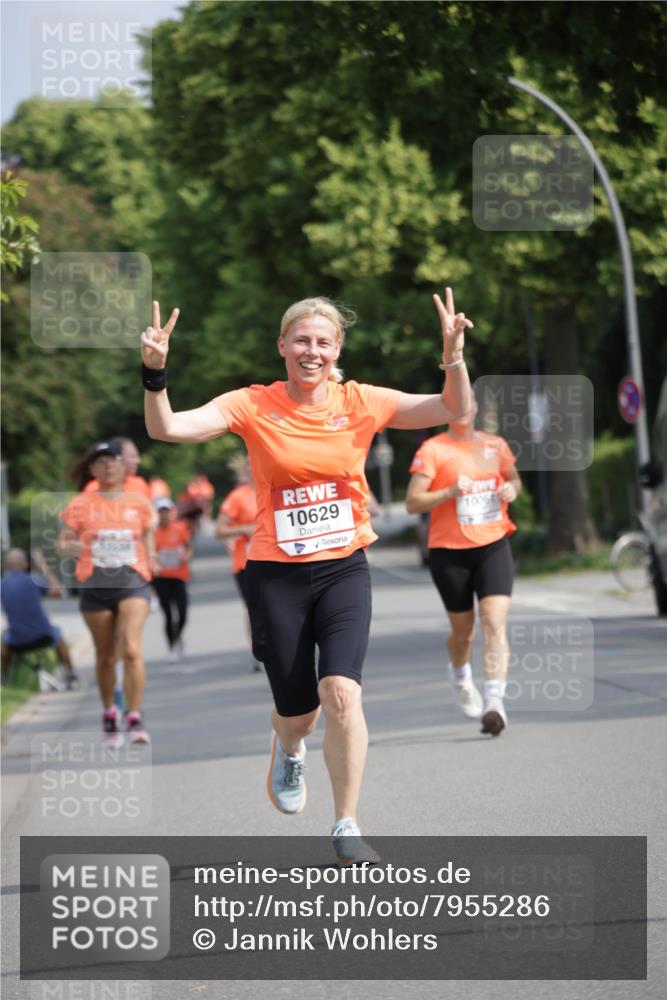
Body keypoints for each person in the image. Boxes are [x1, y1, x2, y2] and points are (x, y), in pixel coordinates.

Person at [141, 290, 471, 862]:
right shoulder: (253, 404)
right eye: (301, 341)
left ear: (337, 347)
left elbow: (450, 408)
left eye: (322, 341)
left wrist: (453, 356)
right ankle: (289, 746)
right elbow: (167, 427)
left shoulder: (360, 400)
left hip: (344, 566)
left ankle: (346, 823)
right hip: (277, 574)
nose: (311, 351)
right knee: (300, 710)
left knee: (342, 693)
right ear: (282, 347)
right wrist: (154, 372)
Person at [406, 396, 522, 736]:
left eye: (467, 405)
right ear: (446, 411)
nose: (462, 411)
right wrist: (449, 492)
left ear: (475, 410)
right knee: (464, 634)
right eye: (455, 405)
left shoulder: (494, 445)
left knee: (494, 622)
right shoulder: (433, 450)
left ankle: (494, 703)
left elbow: (513, 479)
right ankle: (460, 674)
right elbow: (413, 502)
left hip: (492, 543)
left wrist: (511, 490)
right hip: (449, 551)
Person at [57, 441, 157, 747]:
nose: (108, 466)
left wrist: (151, 556)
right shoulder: (80, 504)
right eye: (100, 462)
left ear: (121, 465)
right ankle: (109, 713)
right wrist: (68, 547)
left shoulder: (139, 501)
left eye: (113, 460)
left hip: (132, 581)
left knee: (131, 649)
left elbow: (149, 531)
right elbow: (62, 543)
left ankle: (135, 716)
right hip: (95, 584)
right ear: (92, 470)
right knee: (105, 657)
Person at [1, 548, 77, 688]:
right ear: (25, 564)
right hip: (43, 636)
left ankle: (4, 679)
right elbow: (60, 592)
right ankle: (70, 674)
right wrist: (43, 566)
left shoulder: (2, 585)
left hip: (16, 641)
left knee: (4, 638)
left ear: (5, 566)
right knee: (58, 634)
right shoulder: (34, 580)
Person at [215, 453, 261, 672]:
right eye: (252, 464)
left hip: (279, 557)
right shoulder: (238, 496)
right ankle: (257, 649)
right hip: (246, 562)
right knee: (254, 607)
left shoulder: (275, 488)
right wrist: (243, 529)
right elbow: (220, 530)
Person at [153, 497, 193, 660]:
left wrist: (186, 556)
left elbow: (189, 547)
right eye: (161, 512)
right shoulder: (152, 532)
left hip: (179, 576)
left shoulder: (180, 528)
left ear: (171, 512)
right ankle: (171, 647)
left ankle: (178, 637)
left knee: (183, 612)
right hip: (161, 577)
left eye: (166, 511)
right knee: (168, 614)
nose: (164, 515)